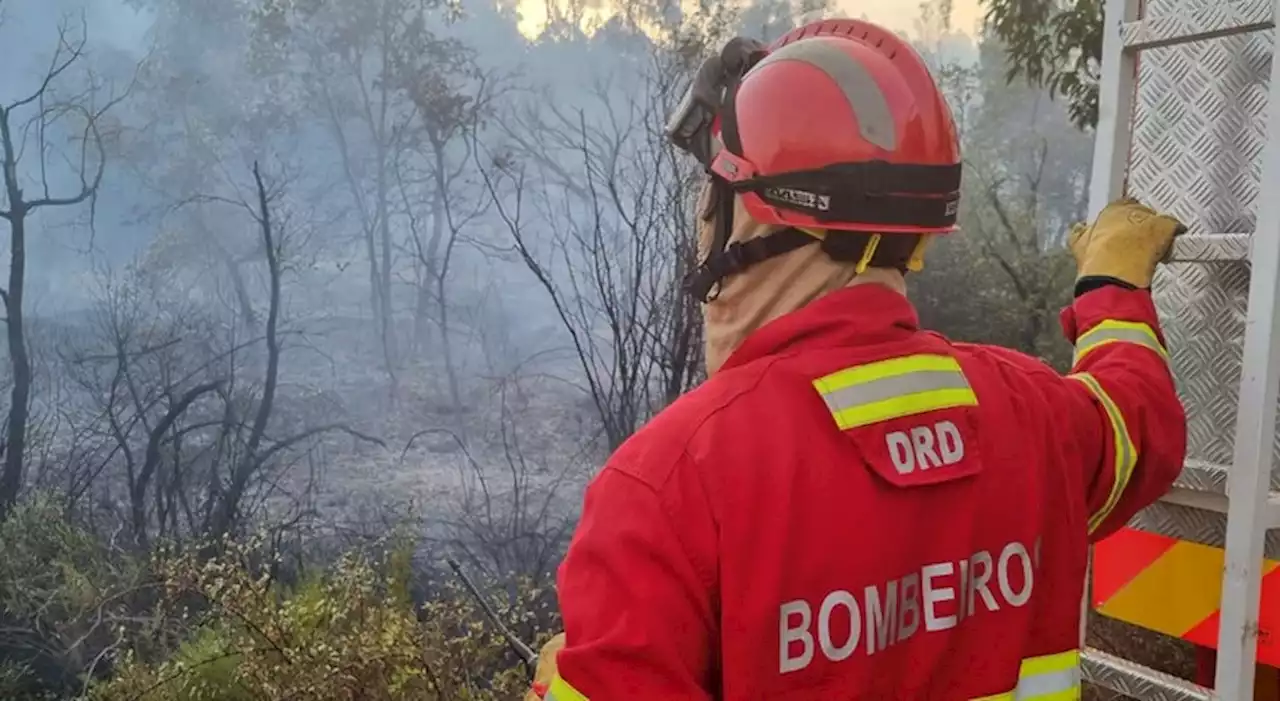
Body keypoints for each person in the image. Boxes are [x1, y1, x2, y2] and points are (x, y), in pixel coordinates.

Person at [524, 17, 1188, 700]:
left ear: (759, 217)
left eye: (713, 199)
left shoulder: (668, 487)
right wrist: (1112, 286)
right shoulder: (1033, 413)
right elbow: (1139, 420)